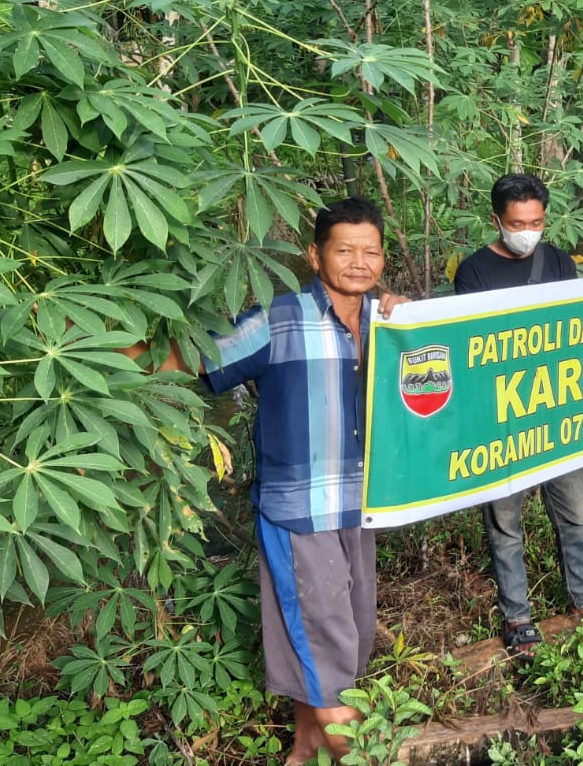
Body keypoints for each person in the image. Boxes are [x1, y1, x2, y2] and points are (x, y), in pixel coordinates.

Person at [122, 197, 387, 765]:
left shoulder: (391, 324)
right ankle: (353, 753)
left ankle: (303, 750)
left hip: (362, 508)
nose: (359, 262)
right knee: (333, 660)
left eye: (371, 251)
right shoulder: (277, 317)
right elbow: (185, 359)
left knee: (345, 642)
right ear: (316, 256)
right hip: (300, 513)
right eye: (345, 249)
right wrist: (91, 352)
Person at [454, 173, 583, 656]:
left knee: (575, 516)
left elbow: (576, 328)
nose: (527, 231)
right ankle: (517, 617)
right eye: (517, 222)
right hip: (504, 419)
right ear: (497, 220)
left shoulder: (558, 261)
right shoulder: (473, 271)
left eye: (536, 221)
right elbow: (474, 347)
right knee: (505, 524)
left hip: (558, 413)